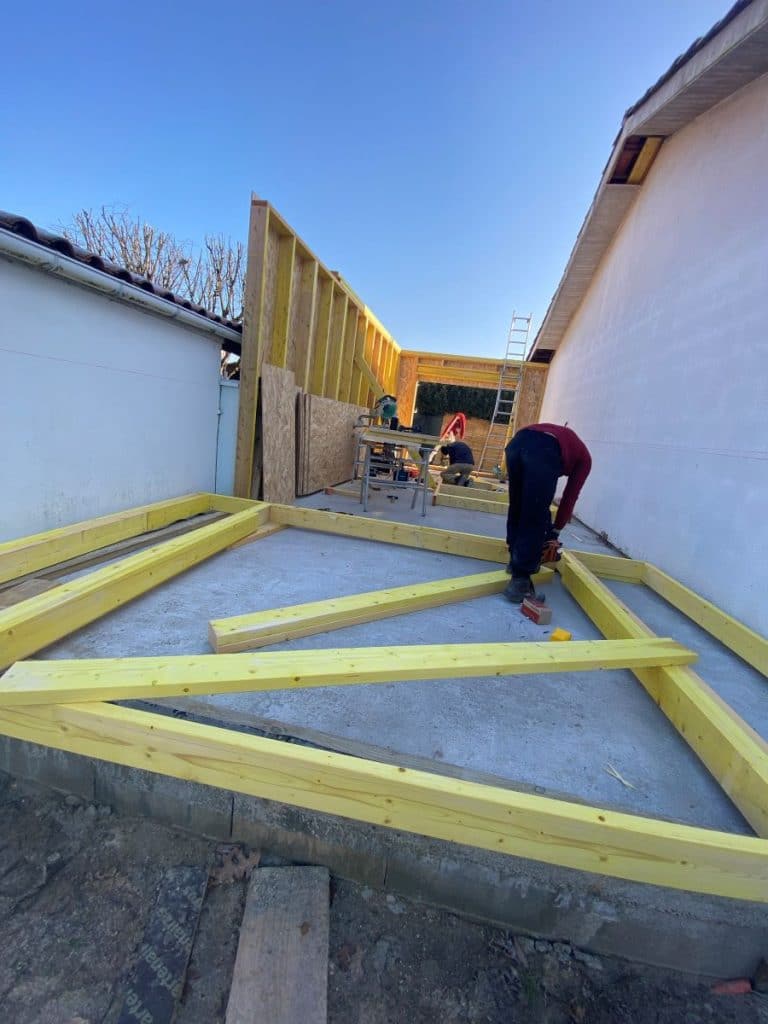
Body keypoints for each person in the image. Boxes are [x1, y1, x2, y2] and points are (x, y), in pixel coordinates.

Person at [504, 423, 592, 603]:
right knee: (534, 515)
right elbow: (569, 497)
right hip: (543, 450)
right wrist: (556, 530)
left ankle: (515, 562)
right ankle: (520, 582)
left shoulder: (566, 440)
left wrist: (551, 529)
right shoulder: (585, 460)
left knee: (518, 508)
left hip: (517, 443)